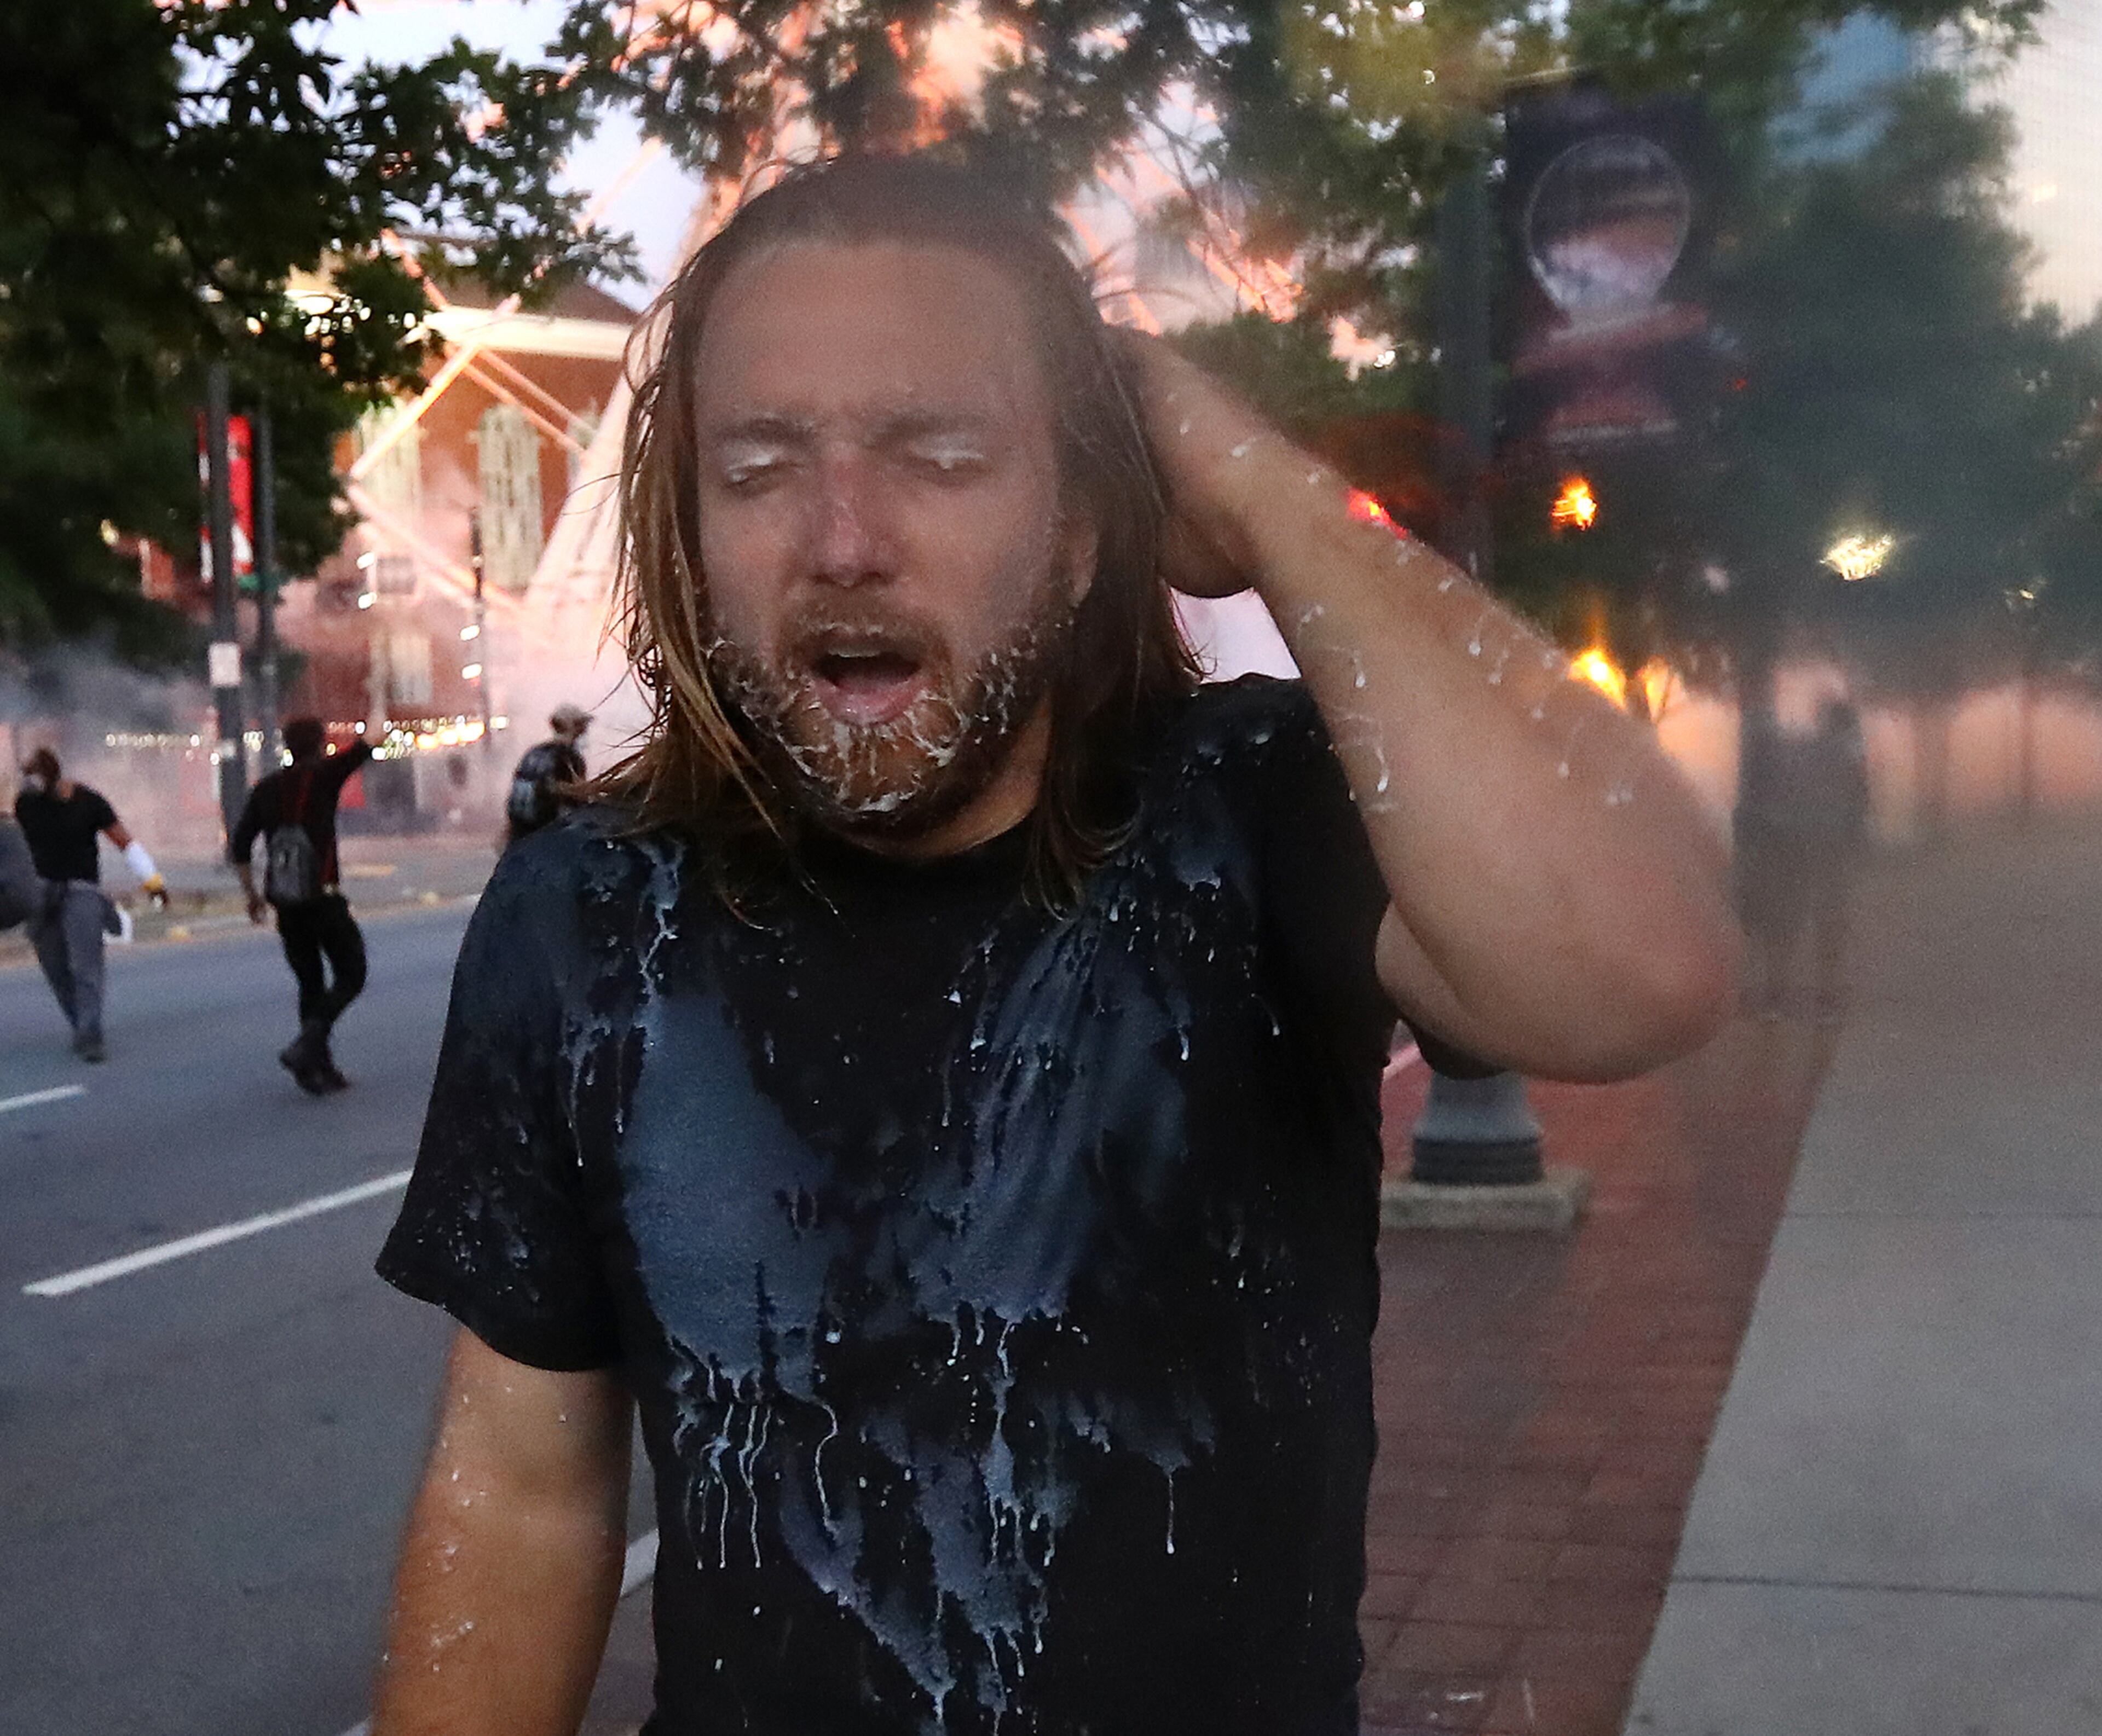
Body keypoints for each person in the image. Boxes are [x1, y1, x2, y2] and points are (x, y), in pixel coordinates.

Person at [371, 157, 1737, 1736]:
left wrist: (1254, 482)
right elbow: (522, 1484)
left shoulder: (1261, 813)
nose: (842, 540)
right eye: (757, 470)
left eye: (940, 455)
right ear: (687, 539)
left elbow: (1644, 964)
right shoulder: (586, 916)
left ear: (1089, 532)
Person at [230, 717, 374, 1093]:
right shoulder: (327, 776)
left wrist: (252, 896)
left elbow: (240, 848)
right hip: (324, 900)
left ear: (287, 747)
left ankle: (316, 1069)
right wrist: (376, 691)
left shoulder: (265, 789)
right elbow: (372, 738)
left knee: (309, 982)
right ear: (322, 745)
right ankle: (309, 1045)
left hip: (287, 905)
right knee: (352, 973)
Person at [14, 747, 166, 1062]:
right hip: (39, 894)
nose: (29, 785)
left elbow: (124, 841)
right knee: (55, 968)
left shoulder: (90, 802)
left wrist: (152, 880)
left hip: (82, 893)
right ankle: (80, 1025)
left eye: (34, 777)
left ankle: (90, 1034)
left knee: (86, 968)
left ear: (52, 775)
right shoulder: (25, 804)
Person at [504, 702, 592, 843]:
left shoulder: (534, 753)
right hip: (549, 834)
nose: (584, 731)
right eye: (581, 726)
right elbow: (577, 802)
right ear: (572, 727)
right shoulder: (569, 758)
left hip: (520, 834)